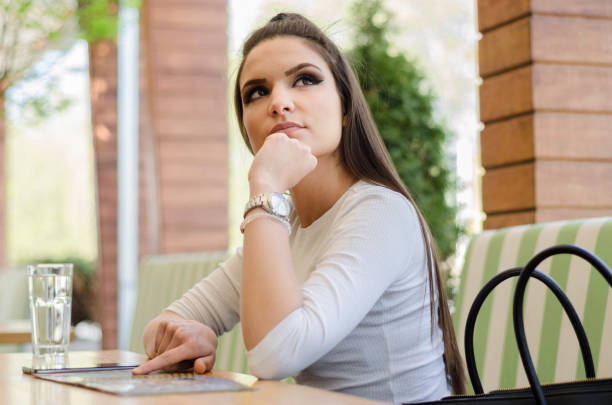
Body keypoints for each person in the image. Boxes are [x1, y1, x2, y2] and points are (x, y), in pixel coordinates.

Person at [132, 12, 466, 403]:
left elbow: (276, 357)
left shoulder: (380, 211)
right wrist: (186, 333)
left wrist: (267, 188)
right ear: (247, 127)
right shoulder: (283, 226)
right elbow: (161, 324)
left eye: (305, 80)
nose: (279, 103)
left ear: (344, 105)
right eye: (256, 92)